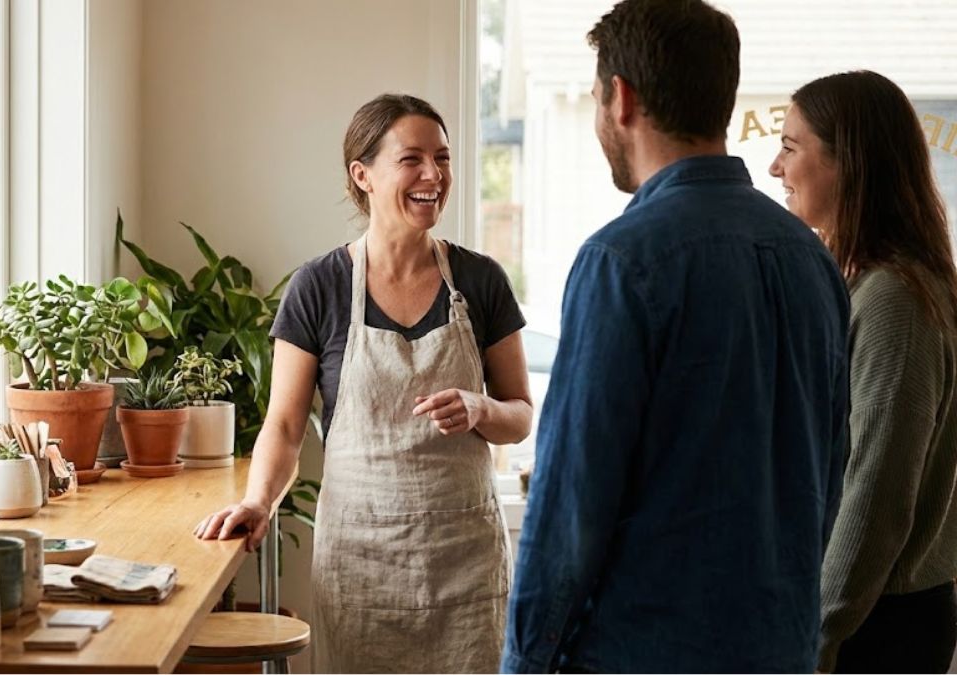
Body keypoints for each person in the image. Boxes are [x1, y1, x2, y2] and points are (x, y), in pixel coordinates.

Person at [502, 1, 851, 672]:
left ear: (621, 99)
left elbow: (570, 507)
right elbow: (826, 476)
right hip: (779, 649)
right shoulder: (812, 261)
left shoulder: (622, 260)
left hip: (644, 651)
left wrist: (524, 663)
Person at [193, 93, 533, 673]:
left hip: (465, 566)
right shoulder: (319, 287)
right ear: (363, 175)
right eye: (413, 159)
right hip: (360, 566)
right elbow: (283, 425)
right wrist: (258, 500)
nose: (434, 175)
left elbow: (521, 415)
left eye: (444, 158)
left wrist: (480, 409)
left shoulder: (481, 281)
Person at [769, 70, 957, 674]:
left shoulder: (895, 301)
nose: (775, 168)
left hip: (877, 625)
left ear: (847, 164)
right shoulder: (868, 284)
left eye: (791, 147)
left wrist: (817, 639)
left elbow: (879, 493)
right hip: (871, 612)